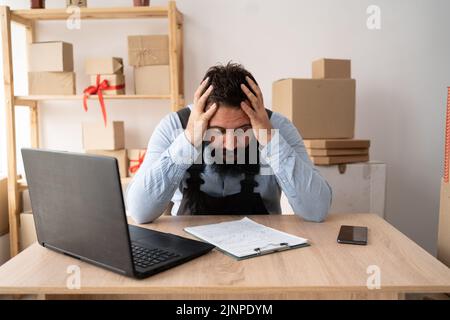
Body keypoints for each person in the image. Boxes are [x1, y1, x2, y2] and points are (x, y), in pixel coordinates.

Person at [126, 62, 332, 223]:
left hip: (264, 246)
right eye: (219, 131)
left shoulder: (277, 127)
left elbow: (316, 210)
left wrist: (270, 139)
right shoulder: (174, 126)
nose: (231, 144)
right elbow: (140, 211)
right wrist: (188, 140)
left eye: (243, 130)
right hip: (189, 245)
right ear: (203, 118)